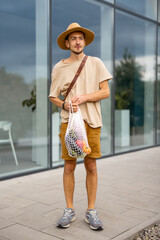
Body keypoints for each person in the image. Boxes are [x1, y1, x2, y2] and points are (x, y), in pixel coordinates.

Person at [49, 23, 112, 230]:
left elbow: (105, 92)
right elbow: (52, 96)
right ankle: (69, 210)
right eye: (73, 39)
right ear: (67, 43)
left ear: (84, 42)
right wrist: (64, 103)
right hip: (69, 124)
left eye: (80, 38)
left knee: (91, 166)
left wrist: (84, 97)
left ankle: (91, 211)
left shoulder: (95, 63)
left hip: (91, 122)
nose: (77, 42)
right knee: (69, 167)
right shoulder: (59, 67)